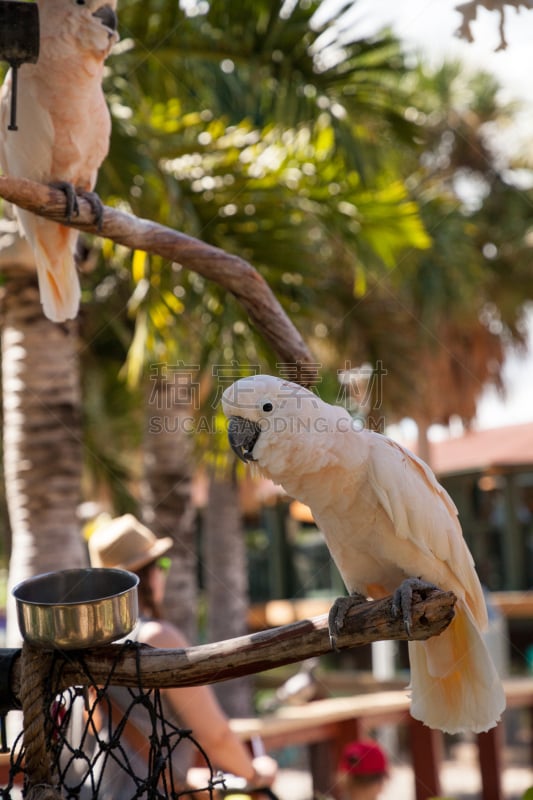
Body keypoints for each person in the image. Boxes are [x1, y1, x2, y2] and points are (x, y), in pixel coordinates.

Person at [86, 513, 277, 797]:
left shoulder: (90, 644)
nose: (164, 572)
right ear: (147, 577)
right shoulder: (155, 638)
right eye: (161, 565)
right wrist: (255, 774)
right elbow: (216, 736)